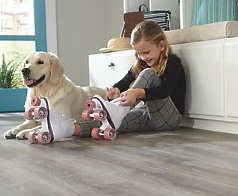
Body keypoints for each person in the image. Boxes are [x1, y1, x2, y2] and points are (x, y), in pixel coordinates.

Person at [37, 20, 186, 143]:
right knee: (109, 122)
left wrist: (136, 93)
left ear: (161, 46)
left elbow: (164, 91)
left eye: (146, 52)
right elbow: (122, 83)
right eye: (139, 54)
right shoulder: (142, 64)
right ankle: (65, 128)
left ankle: (117, 108)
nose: (143, 58)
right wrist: (113, 92)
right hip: (148, 116)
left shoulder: (173, 62)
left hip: (170, 119)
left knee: (148, 74)